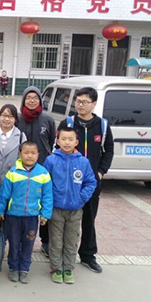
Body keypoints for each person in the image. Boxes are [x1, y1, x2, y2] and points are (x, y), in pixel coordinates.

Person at [57, 87, 114, 274]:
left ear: (94, 104)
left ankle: (88, 255)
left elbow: (109, 150)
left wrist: (101, 172)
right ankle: (56, 252)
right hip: (67, 183)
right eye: (78, 101)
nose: (80, 105)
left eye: (84, 102)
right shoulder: (68, 123)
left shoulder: (102, 126)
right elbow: (56, 149)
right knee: (61, 218)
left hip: (91, 183)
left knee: (89, 219)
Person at [0, 141, 52, 284]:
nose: (29, 156)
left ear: (38, 155)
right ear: (20, 154)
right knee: (14, 243)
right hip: (13, 216)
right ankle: (13, 268)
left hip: (32, 217)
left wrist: (45, 214)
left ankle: (24, 269)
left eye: (33, 153)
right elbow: (3, 194)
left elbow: (48, 196)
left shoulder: (43, 173)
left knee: (28, 243)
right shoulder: (13, 172)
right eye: (26, 153)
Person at [44, 128, 97, 284]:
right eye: (63, 139)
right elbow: (45, 182)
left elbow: (90, 182)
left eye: (70, 139)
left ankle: (68, 268)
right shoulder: (51, 160)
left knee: (71, 240)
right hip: (56, 209)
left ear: (76, 142)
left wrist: (81, 198)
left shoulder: (83, 162)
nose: (67, 142)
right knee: (56, 240)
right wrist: (49, 201)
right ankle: (56, 268)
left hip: (75, 209)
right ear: (58, 141)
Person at [17, 86, 56, 257]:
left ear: (40, 100)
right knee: (21, 204)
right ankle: (18, 241)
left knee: (44, 205)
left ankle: (45, 242)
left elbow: (51, 141)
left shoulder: (47, 120)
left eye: (35, 98)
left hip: (42, 170)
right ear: (23, 100)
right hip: (21, 170)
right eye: (28, 98)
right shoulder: (18, 119)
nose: (32, 100)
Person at [0, 104, 25, 248]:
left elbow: (23, 159)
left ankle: (2, 242)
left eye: (10, 116)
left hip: (9, 182)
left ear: (15, 119)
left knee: (6, 214)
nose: (6, 119)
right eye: (4, 115)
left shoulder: (20, 136)